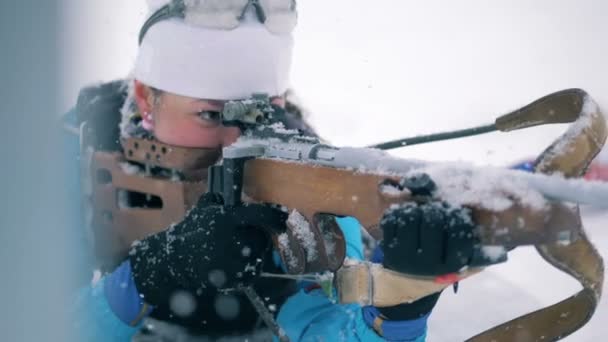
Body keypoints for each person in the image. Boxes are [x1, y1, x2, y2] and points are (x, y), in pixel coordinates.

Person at [67, 1, 483, 341]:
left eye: (264, 113)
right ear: (145, 98)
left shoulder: (305, 176)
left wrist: (397, 314)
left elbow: (327, 327)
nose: (237, 141)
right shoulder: (69, 153)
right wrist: (149, 273)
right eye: (210, 114)